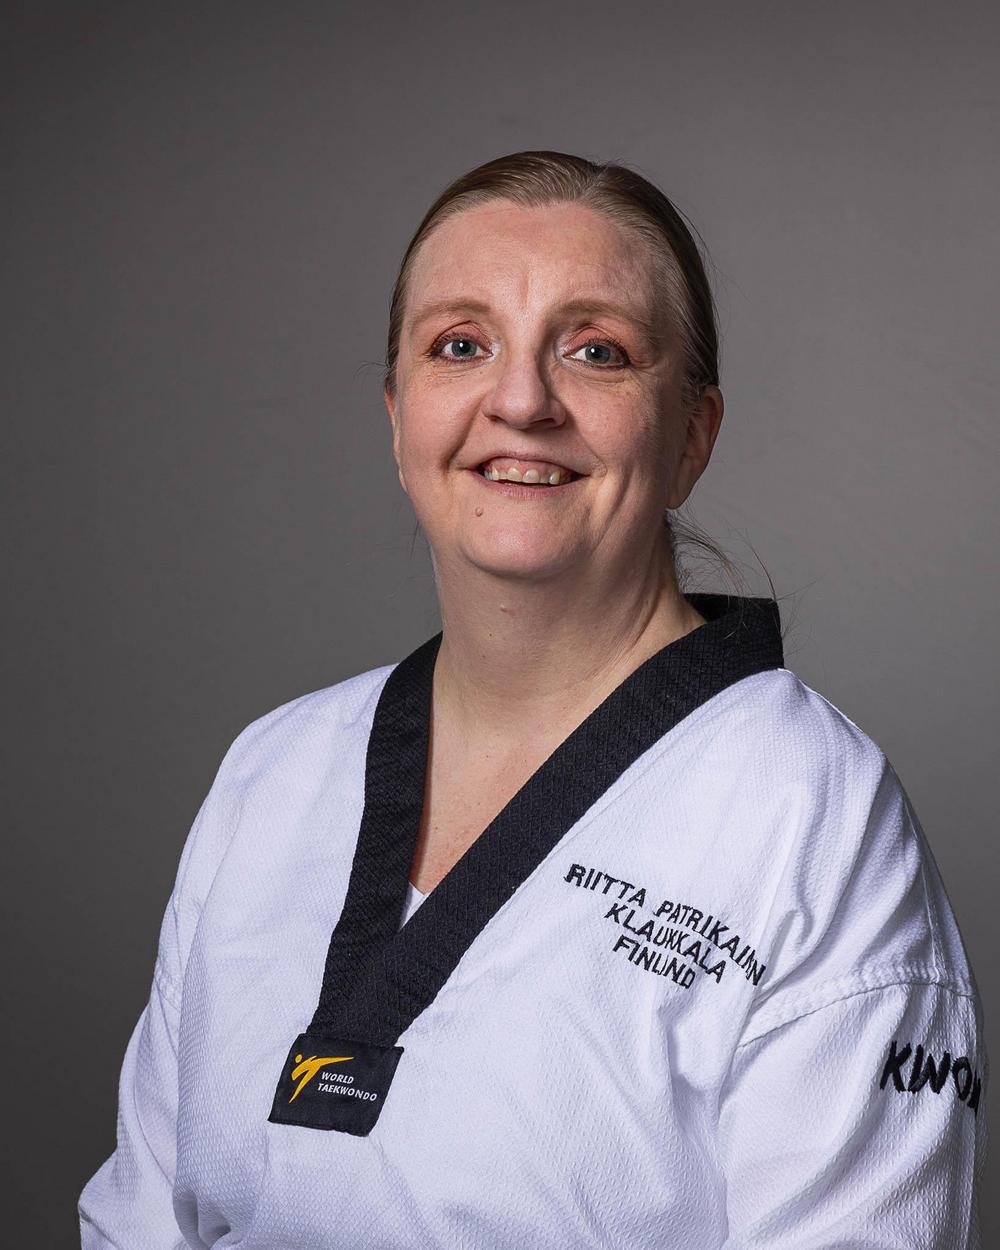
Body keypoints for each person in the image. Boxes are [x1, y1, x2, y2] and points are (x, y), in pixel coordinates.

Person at [79, 150, 988, 1249]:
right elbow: (141, 1221)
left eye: (596, 351)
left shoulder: (811, 817)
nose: (519, 401)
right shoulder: (274, 771)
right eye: (460, 346)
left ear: (692, 434)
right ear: (398, 415)